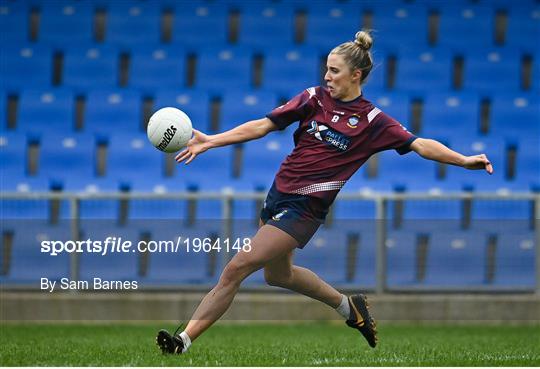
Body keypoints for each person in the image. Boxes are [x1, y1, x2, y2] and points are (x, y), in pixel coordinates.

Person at [155, 30, 493, 355]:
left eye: (334, 70)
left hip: (304, 210)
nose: (327, 76)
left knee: (236, 268)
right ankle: (350, 308)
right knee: (279, 275)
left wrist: (463, 160)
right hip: (277, 196)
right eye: (326, 69)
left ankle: (182, 340)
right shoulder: (313, 98)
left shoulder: (373, 121)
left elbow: (420, 144)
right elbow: (263, 125)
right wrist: (212, 140)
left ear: (356, 75)